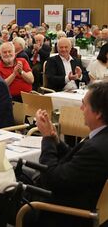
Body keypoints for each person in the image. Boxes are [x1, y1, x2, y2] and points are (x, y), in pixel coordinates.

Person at [34, 82, 108, 227]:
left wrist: (47, 139)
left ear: (98, 113)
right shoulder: (100, 137)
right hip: (78, 196)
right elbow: (77, 161)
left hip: (65, 213)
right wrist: (56, 140)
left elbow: (51, 179)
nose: (81, 109)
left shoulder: (97, 148)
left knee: (5, 197)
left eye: (84, 105)